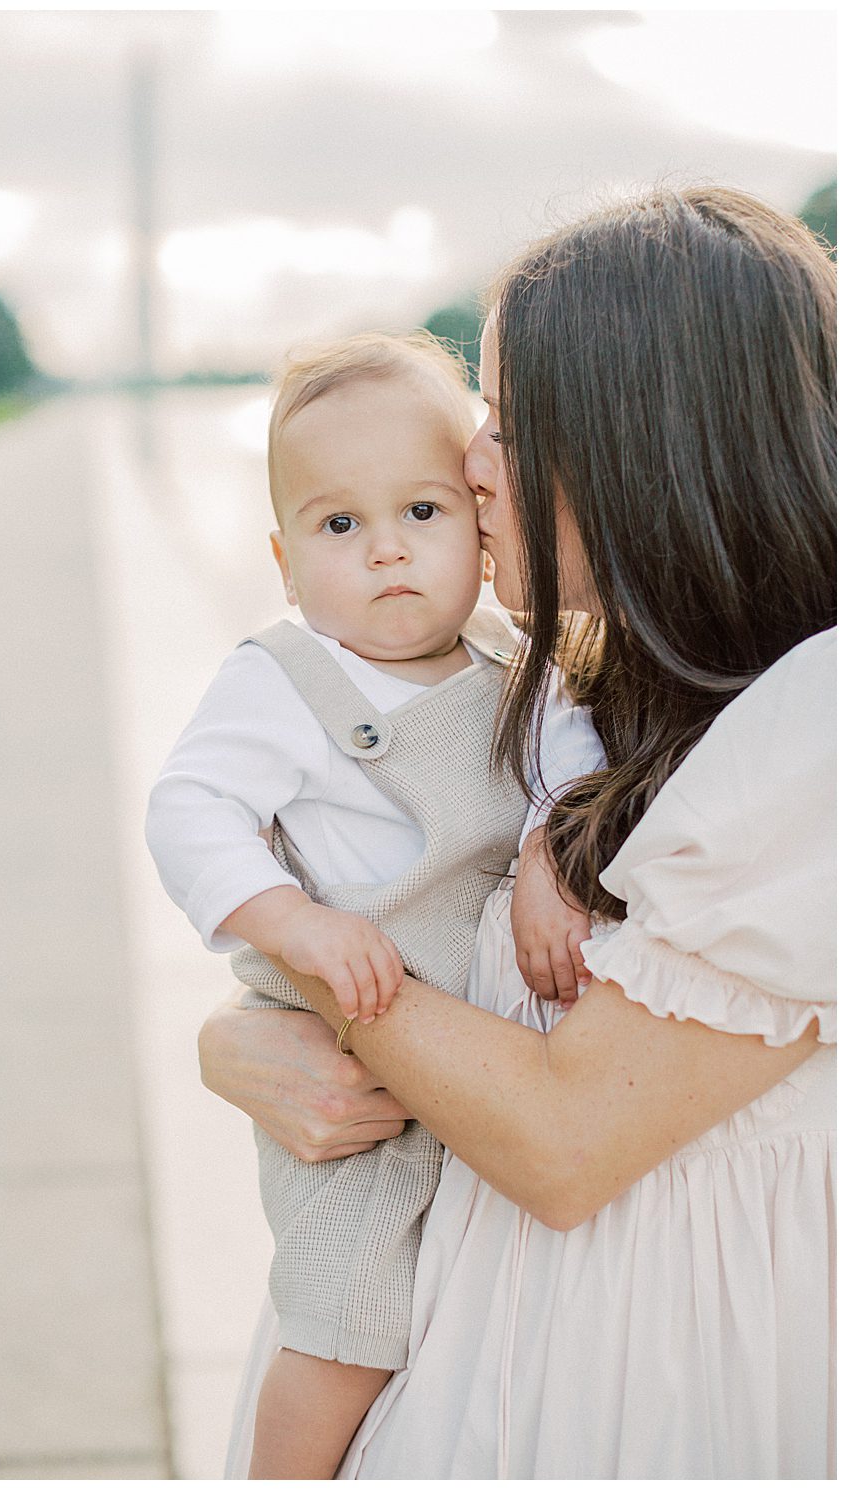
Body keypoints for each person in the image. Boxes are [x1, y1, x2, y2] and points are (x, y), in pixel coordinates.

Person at [200, 185, 836, 1479]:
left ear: (644, 439)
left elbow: (562, 1139)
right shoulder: (579, 706)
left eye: (506, 413)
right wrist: (245, 1034)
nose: (468, 460)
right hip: (472, 1342)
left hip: (650, 1391)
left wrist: (326, 988)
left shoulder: (814, 732)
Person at [145, 332, 605, 1478]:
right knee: (348, 1323)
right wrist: (291, 922)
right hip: (354, 1066)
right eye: (339, 525)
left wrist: (555, 843)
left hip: (483, 1058)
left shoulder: (520, 665)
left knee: (458, 1309)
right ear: (285, 558)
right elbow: (187, 809)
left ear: (478, 520)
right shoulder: (282, 680)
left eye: (423, 510)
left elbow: (582, 767)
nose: (387, 551)